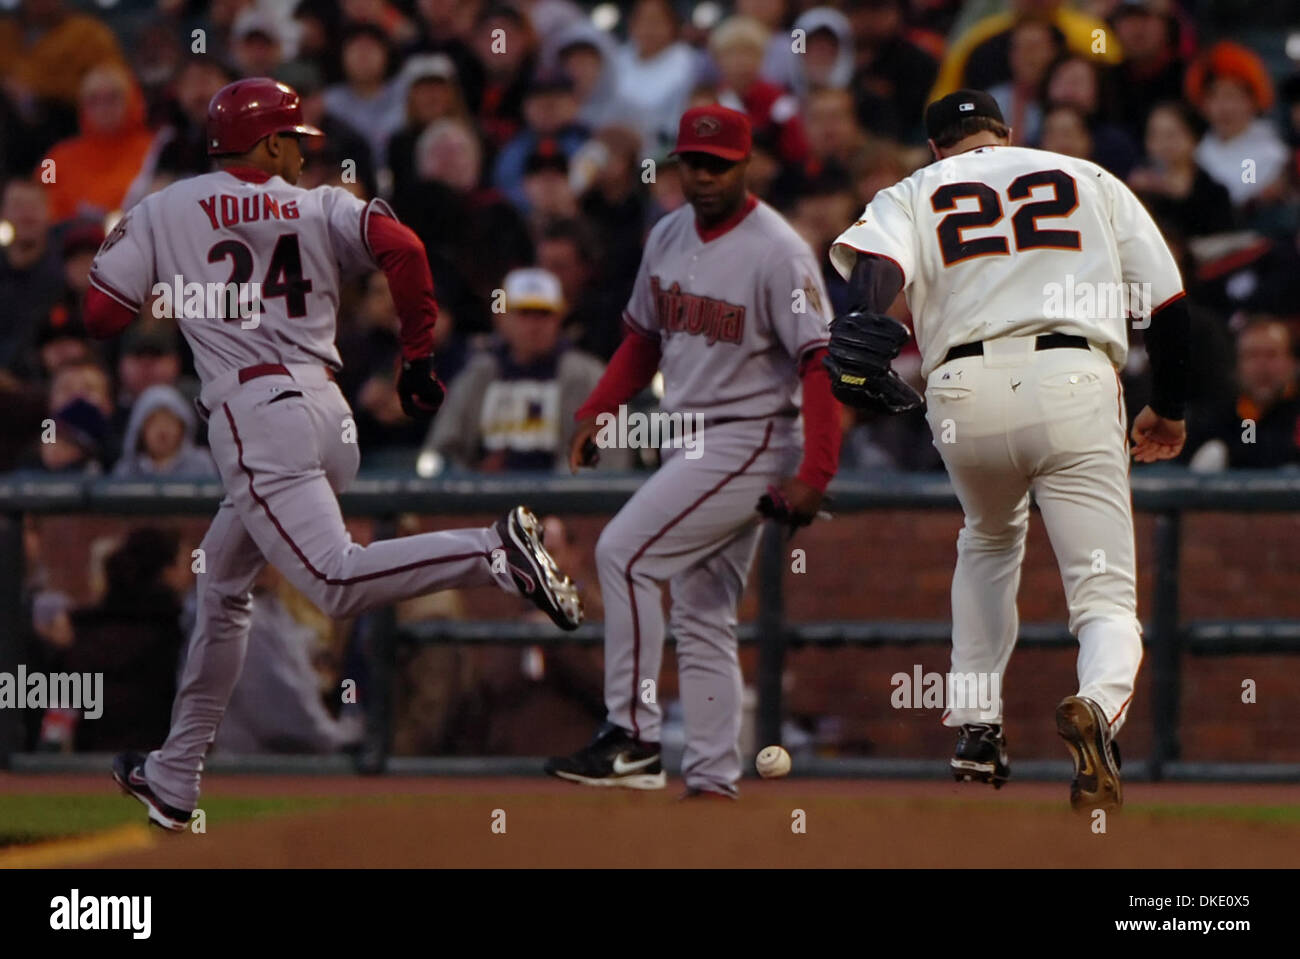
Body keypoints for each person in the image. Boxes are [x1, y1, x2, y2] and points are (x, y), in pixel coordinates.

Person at [85, 77, 583, 830]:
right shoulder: (318, 202)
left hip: (257, 414)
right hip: (326, 410)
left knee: (335, 581)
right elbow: (405, 248)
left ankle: (492, 551)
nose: (297, 151)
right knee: (221, 588)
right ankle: (176, 772)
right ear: (270, 141)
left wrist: (178, 281)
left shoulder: (166, 205)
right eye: (292, 139)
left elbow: (100, 317)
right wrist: (417, 359)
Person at [826, 90, 1190, 812]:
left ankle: (976, 725)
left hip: (961, 385)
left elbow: (874, 274)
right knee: (1104, 595)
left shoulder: (914, 188)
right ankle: (1097, 708)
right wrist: (1169, 409)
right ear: (1005, 132)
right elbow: (1168, 305)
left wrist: (867, 323)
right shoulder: (1085, 176)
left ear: (935, 147)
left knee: (988, 539)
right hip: (1073, 376)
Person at [544, 106, 841, 798]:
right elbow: (642, 337)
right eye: (692, 164)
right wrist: (598, 410)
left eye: (719, 164)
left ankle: (633, 736)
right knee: (703, 610)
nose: (703, 177)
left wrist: (815, 472)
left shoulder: (779, 249)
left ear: (746, 165)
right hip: (691, 438)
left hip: (753, 434)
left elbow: (821, 362)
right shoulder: (668, 234)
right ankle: (711, 777)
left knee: (624, 554)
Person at [426, 267, 626, 473]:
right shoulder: (478, 374)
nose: (534, 325)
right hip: (484, 501)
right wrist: (475, 481)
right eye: (524, 313)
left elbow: (606, 457)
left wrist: (552, 492)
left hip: (563, 501)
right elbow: (442, 451)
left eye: (543, 314)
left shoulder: (588, 376)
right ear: (502, 318)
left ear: (559, 319)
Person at [1185, 319, 1300, 471]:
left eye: (1271, 355)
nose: (1262, 365)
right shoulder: (1214, 417)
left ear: (1292, 363)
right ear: (1238, 364)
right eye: (1252, 355)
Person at [111, 383, 217, 478]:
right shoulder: (127, 469)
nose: (162, 430)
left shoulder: (202, 464)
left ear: (182, 428)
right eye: (154, 423)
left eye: (169, 422)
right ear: (140, 430)